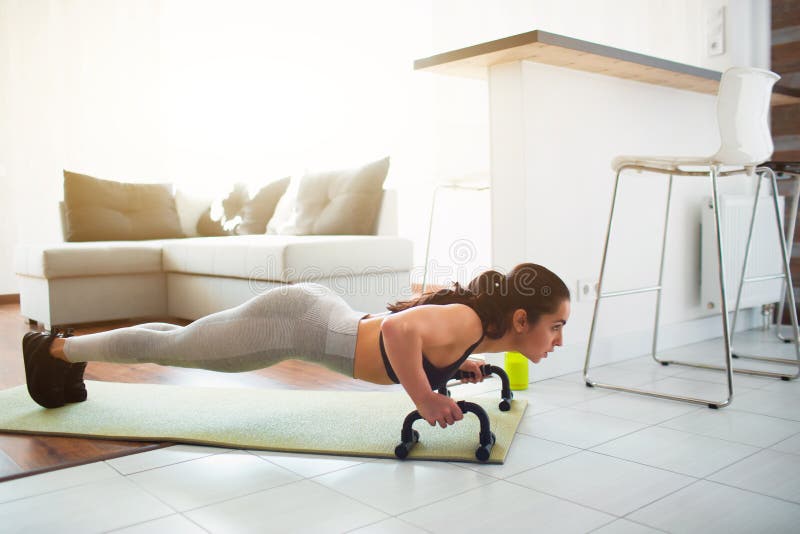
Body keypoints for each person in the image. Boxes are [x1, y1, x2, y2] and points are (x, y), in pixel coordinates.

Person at [22, 263, 570, 428]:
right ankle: (53, 350)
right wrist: (425, 398)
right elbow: (400, 332)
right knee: (179, 348)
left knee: (179, 342)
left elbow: (416, 337)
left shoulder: (468, 330)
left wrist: (453, 366)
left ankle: (63, 352)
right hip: (296, 325)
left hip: (314, 315)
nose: (559, 340)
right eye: (555, 327)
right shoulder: (464, 319)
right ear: (520, 320)